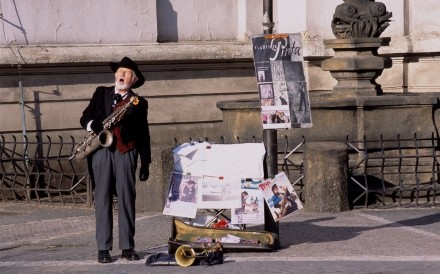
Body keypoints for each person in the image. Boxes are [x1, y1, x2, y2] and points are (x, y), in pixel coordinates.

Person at [79, 57, 151, 263]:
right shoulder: (101, 93)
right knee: (102, 199)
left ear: (134, 79)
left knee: (127, 199)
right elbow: (84, 118)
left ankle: (128, 247)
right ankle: (103, 248)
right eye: (120, 71)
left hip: (125, 151)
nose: (122, 75)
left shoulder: (139, 102)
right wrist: (93, 124)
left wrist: (145, 161)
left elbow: (144, 133)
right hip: (101, 151)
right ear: (115, 75)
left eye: (127, 73)